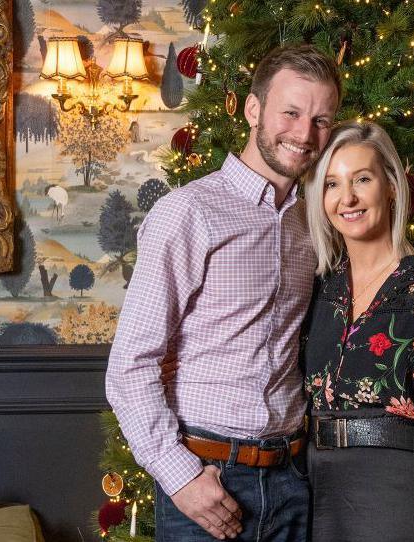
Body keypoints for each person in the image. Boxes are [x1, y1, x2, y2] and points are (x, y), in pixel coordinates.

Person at [105, 44, 340, 542]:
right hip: (210, 480)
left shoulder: (314, 221)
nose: (304, 133)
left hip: (293, 480)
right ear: (253, 110)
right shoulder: (188, 213)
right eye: (291, 112)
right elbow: (131, 365)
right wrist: (181, 478)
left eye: (321, 120)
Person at [302, 121, 414, 542]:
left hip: (394, 490)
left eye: (362, 179)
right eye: (332, 184)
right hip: (312, 489)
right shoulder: (321, 288)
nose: (347, 198)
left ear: (392, 187)